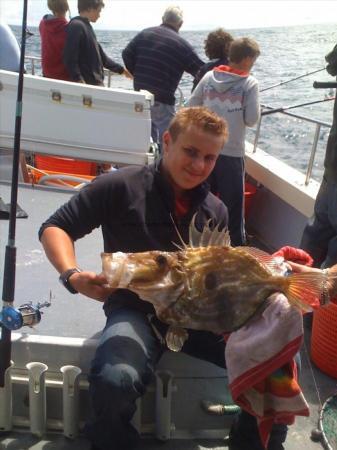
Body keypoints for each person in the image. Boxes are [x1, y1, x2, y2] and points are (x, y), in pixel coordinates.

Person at [39, 106, 291, 450]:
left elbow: (223, 276)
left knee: (275, 370)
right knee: (115, 381)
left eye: (210, 158)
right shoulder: (120, 186)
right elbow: (56, 227)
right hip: (136, 309)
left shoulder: (215, 209)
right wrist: (72, 276)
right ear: (167, 141)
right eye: (191, 151)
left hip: (199, 317)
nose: (199, 165)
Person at [187, 37, 261, 246]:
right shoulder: (250, 83)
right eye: (253, 60)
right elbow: (251, 119)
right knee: (233, 207)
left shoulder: (210, 77)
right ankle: (235, 248)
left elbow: (191, 105)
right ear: (247, 59)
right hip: (232, 154)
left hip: (206, 151)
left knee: (201, 200)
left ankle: (196, 243)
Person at [122, 6, 204, 149]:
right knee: (167, 143)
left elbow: (126, 54)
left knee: (143, 140)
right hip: (163, 101)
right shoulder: (182, 45)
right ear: (180, 24)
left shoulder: (144, 34)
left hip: (141, 96)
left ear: (163, 19)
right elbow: (201, 71)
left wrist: (138, 74)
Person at [300, 94, 337, 269]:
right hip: (331, 174)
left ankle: (296, 282)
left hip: (331, 169)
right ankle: (316, 292)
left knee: (315, 234)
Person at [63, 0, 131, 85]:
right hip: (88, 87)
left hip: (96, 84)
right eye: (98, 11)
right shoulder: (76, 26)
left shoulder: (87, 27)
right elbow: (69, 59)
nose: (99, 15)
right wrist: (79, 81)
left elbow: (103, 58)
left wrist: (122, 70)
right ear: (89, 9)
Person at [39, 0, 71, 80]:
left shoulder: (43, 24)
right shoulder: (69, 28)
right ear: (66, 8)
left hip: (47, 73)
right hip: (64, 77)